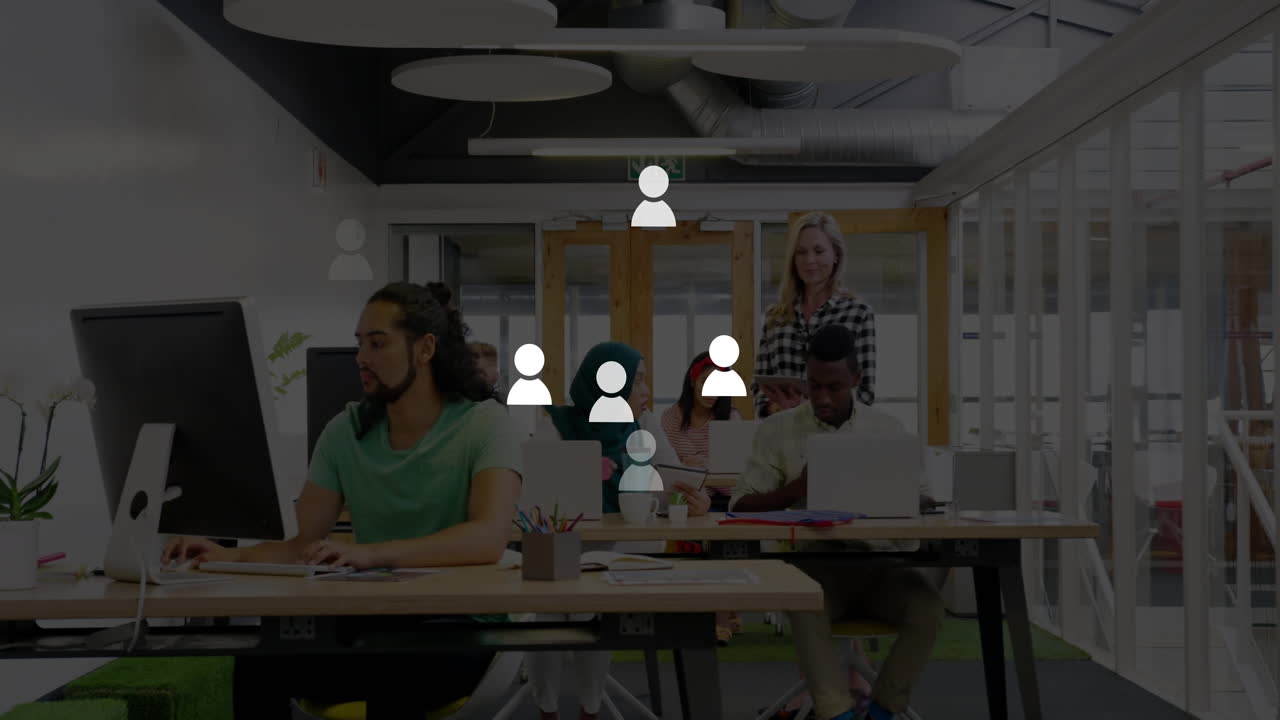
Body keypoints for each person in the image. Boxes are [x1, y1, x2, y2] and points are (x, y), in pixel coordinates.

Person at [162, 282, 524, 720]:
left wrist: (369, 554)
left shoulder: (484, 423)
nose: (361, 358)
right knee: (260, 662)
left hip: (464, 627)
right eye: (359, 344)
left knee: (396, 667)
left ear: (425, 348)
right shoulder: (345, 432)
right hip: (376, 621)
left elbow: (487, 537)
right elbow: (299, 544)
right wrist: (223, 555)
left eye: (377, 343)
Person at [731, 325, 942, 720]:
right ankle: (838, 715)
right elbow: (741, 504)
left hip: (884, 568)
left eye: (835, 387)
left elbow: (927, 500)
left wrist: (901, 496)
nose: (822, 398)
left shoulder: (888, 431)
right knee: (805, 599)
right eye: (814, 386)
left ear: (856, 381)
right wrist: (795, 489)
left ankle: (883, 710)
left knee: (927, 607)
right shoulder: (778, 431)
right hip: (818, 567)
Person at [526, 341, 711, 720]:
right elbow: (531, 502)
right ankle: (545, 707)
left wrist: (696, 501)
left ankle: (589, 708)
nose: (644, 390)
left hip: (620, 555)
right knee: (546, 607)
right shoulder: (554, 427)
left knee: (589, 603)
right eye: (636, 379)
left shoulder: (644, 427)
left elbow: (674, 486)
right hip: (556, 553)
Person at [753, 211, 876, 418]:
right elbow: (759, 388)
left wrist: (810, 408)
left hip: (834, 438)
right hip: (783, 434)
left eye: (819, 251)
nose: (810, 260)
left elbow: (865, 393)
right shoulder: (775, 317)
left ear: (836, 255)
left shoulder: (858, 314)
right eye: (801, 252)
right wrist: (776, 407)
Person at [659, 350, 744, 644]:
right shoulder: (670, 418)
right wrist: (697, 464)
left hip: (722, 498)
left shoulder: (731, 419)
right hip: (684, 499)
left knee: (722, 532)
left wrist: (694, 462)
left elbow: (732, 478)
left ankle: (722, 613)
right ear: (693, 381)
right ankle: (717, 611)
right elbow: (666, 466)